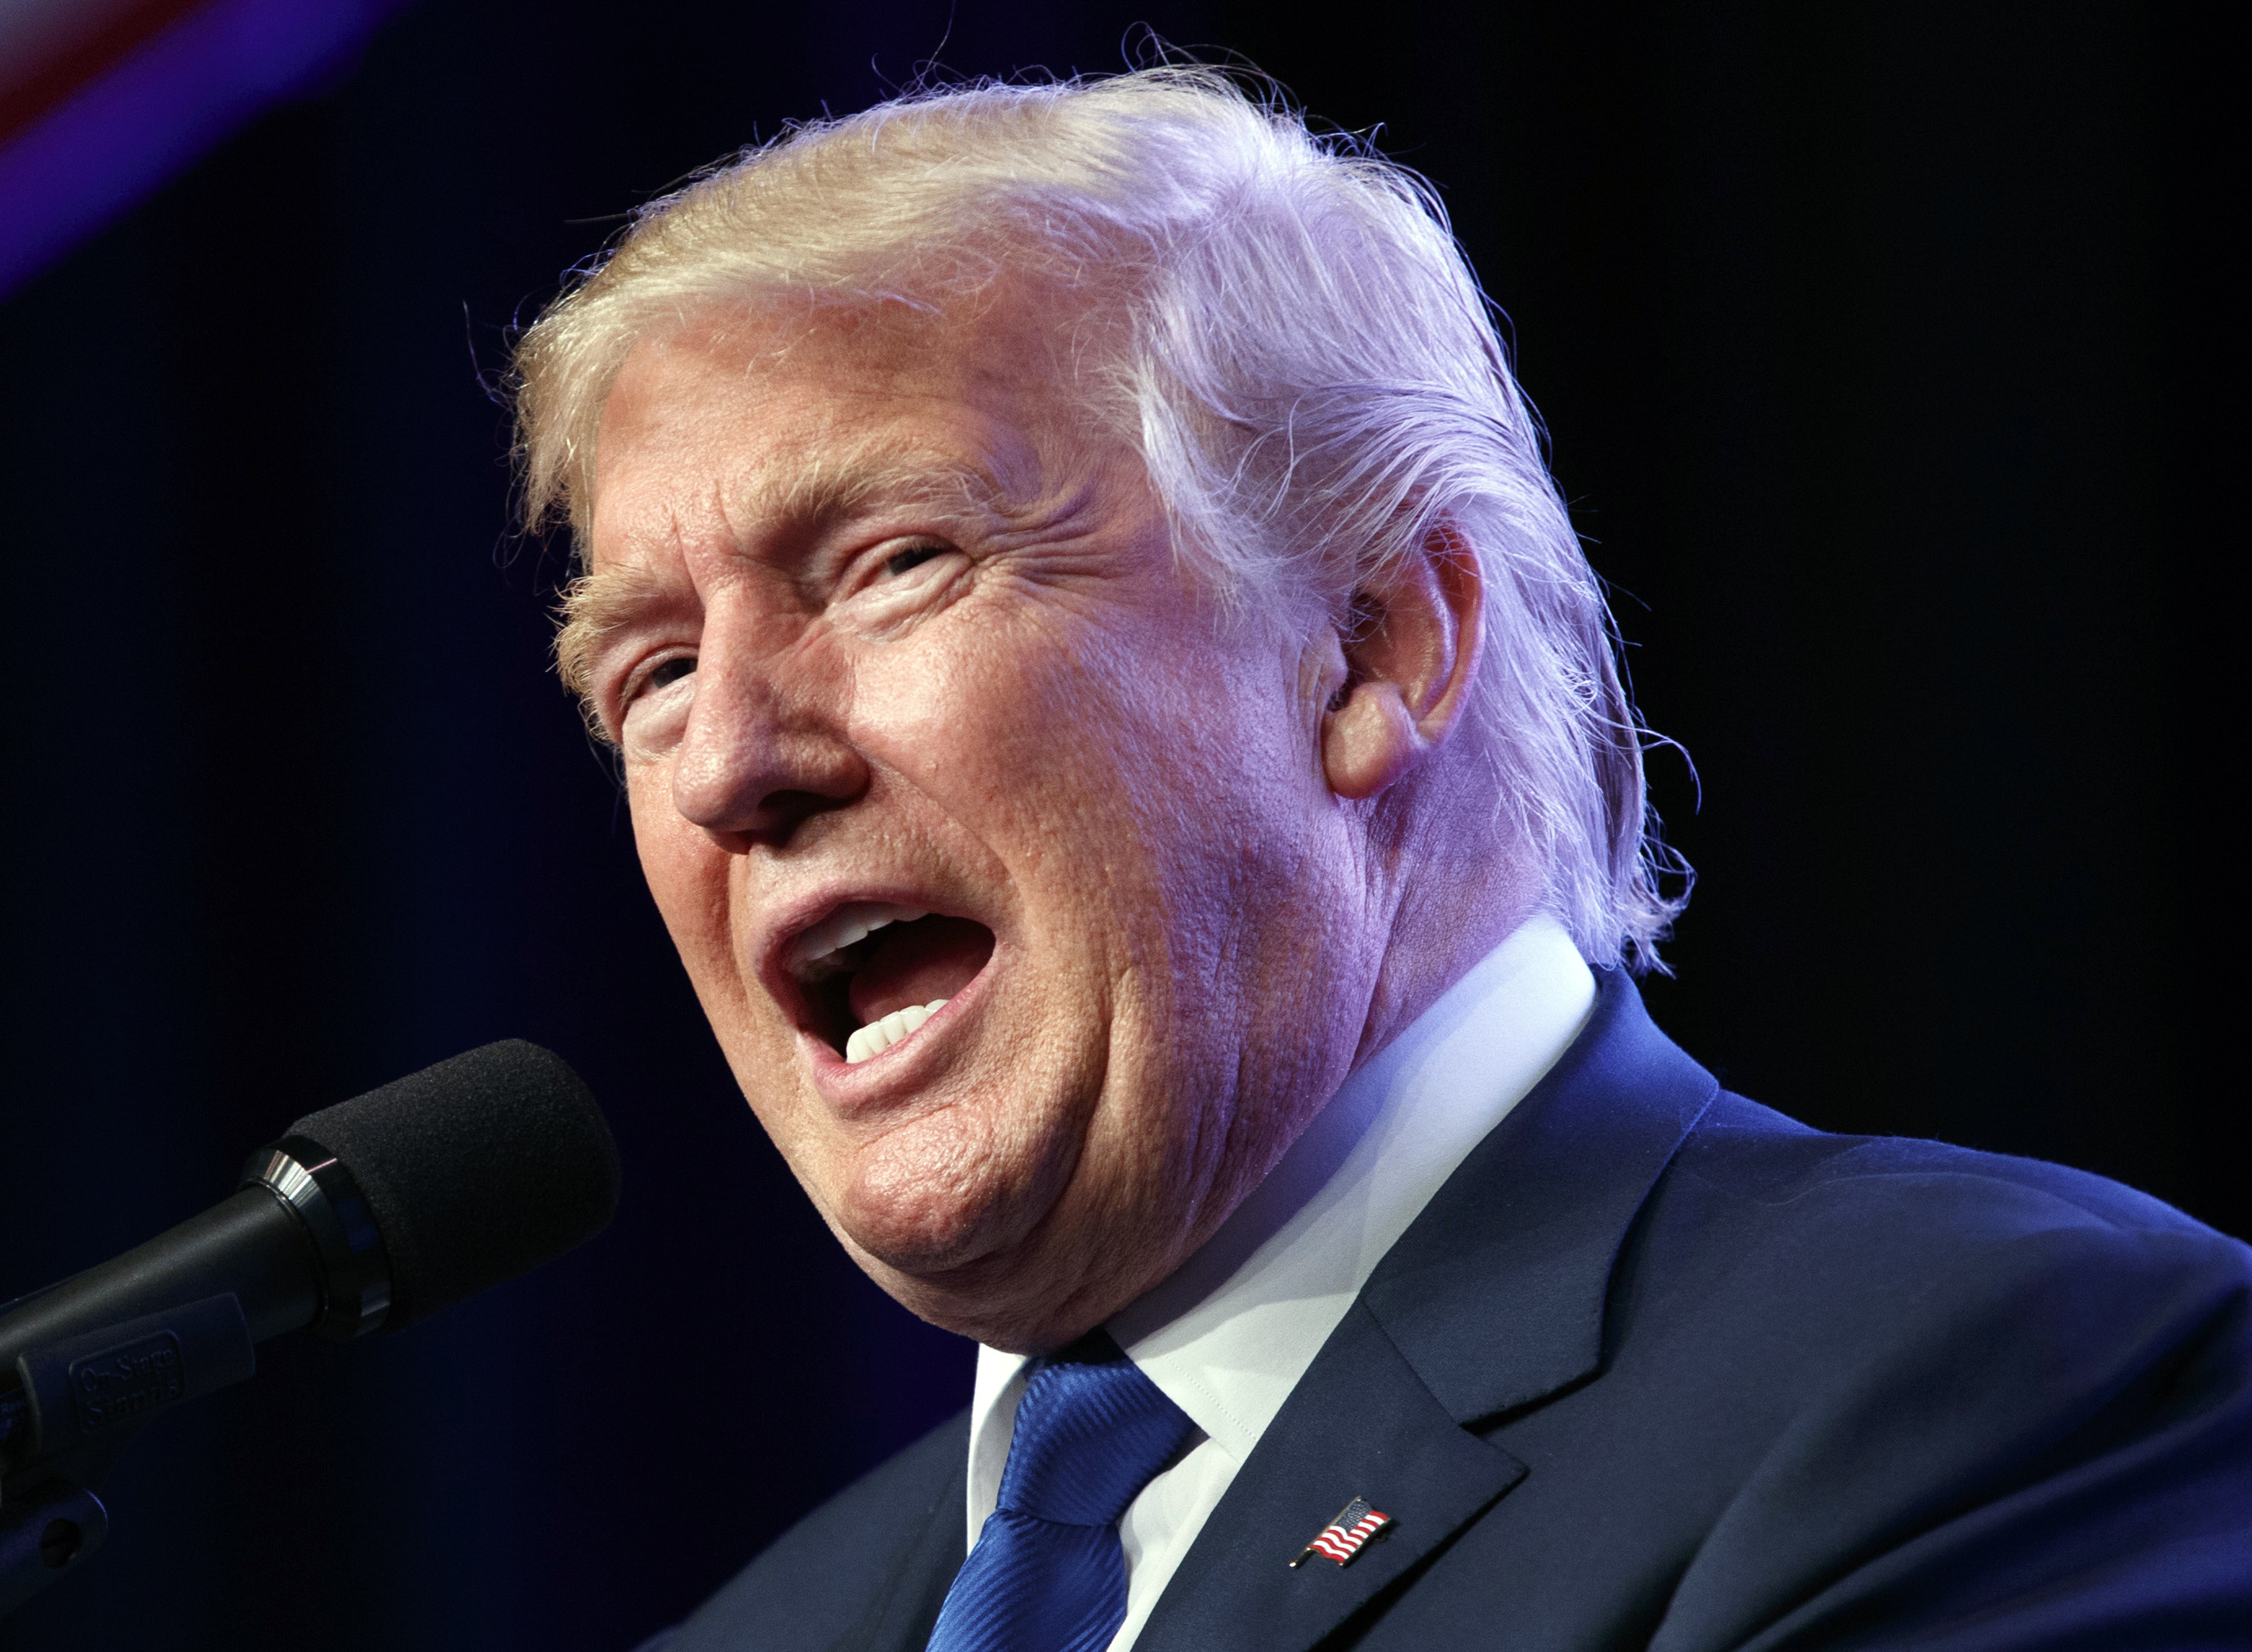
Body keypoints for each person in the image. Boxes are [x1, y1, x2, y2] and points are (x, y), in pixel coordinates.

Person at [511, 69, 2252, 1652]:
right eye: (651, 672)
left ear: (1373, 645)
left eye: (896, 559)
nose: (733, 759)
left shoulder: (1995, 1385)